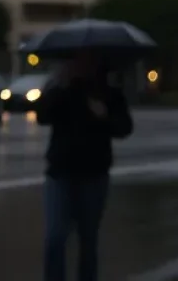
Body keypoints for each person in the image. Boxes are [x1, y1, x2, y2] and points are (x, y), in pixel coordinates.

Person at [36, 51, 133, 281]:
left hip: (94, 173)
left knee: (88, 239)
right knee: (55, 237)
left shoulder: (108, 92)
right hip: (60, 172)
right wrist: (59, 87)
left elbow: (124, 127)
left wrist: (104, 115)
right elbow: (42, 116)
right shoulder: (60, 88)